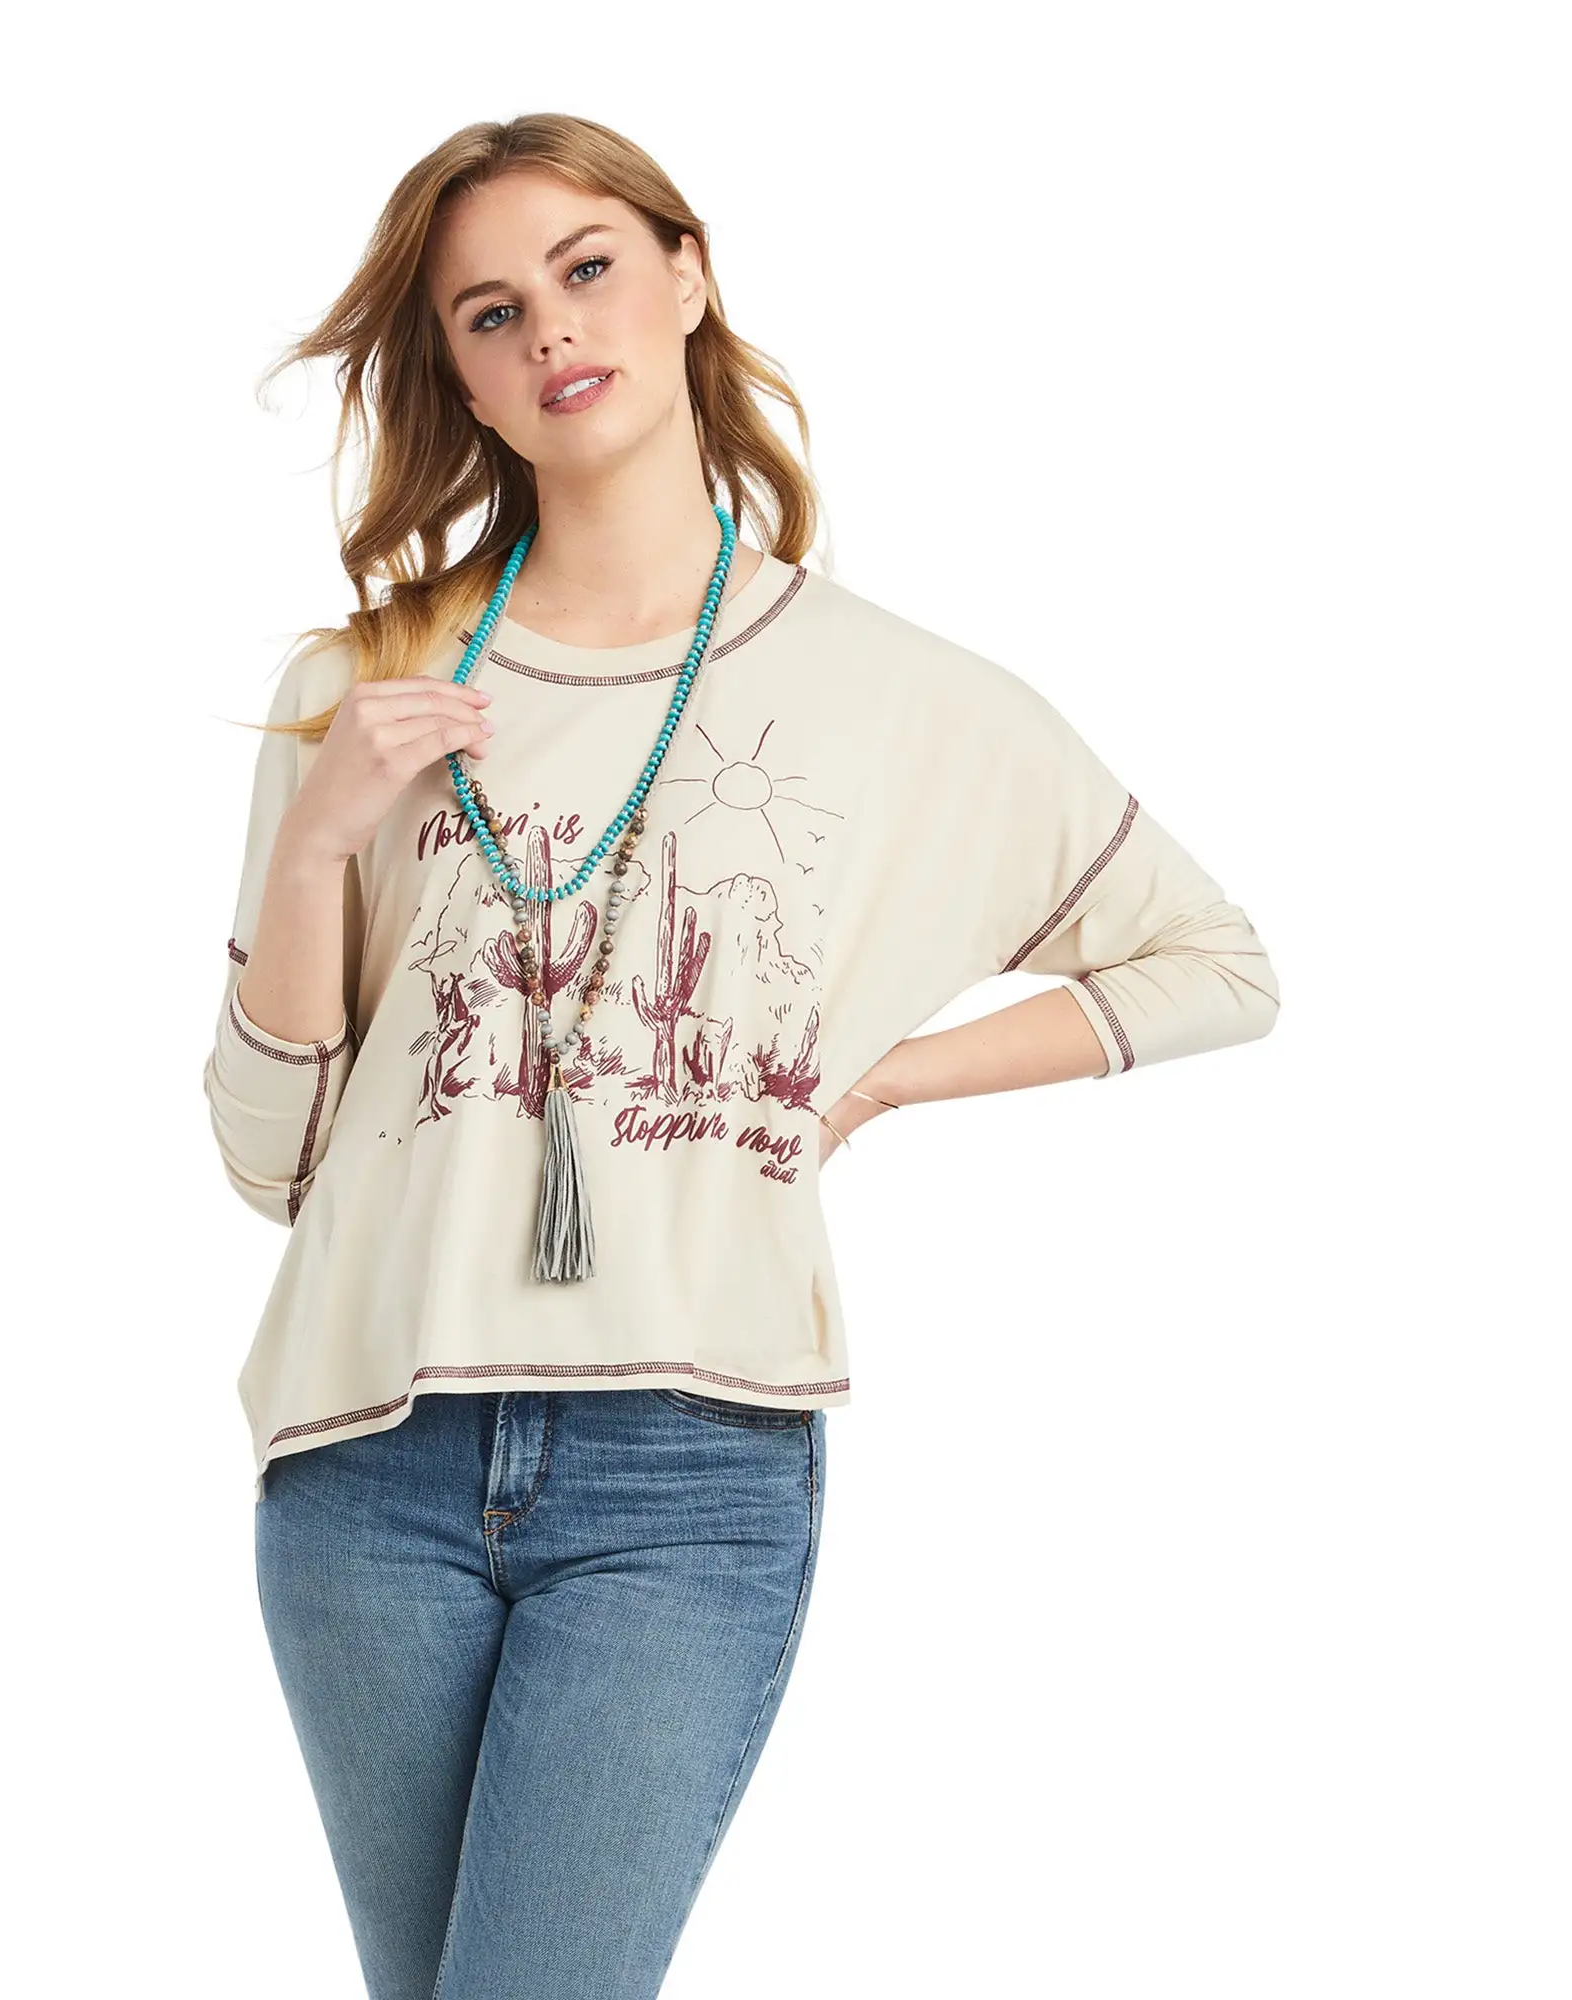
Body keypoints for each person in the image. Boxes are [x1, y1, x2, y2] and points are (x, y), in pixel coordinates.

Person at [203, 115, 1280, 2000]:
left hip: (683, 1463)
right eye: (489, 312)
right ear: (461, 375)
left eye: (589, 268)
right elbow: (270, 1162)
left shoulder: (901, 697)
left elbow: (1218, 964)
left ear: (688, 275)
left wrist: (881, 1081)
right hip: (367, 1462)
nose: (552, 327)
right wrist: (316, 847)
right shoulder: (360, 688)